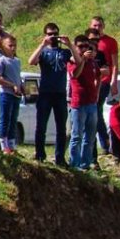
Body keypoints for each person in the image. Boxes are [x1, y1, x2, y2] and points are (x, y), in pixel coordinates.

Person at [28, 22, 72, 166]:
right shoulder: (44, 52)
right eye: (50, 34)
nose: (53, 37)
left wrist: (70, 45)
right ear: (45, 35)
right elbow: (31, 61)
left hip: (60, 93)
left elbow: (77, 61)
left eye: (55, 34)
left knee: (61, 128)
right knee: (41, 125)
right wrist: (42, 45)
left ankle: (60, 157)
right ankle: (39, 154)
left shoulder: (65, 52)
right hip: (45, 92)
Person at [67, 34, 99, 170]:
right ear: (75, 47)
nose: (84, 49)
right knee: (77, 135)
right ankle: (75, 163)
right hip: (78, 103)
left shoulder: (93, 62)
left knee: (90, 137)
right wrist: (83, 60)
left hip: (92, 102)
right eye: (81, 46)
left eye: (87, 46)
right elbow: (75, 74)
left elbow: (98, 76)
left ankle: (85, 164)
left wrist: (97, 94)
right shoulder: (73, 61)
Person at [90, 16, 119, 155]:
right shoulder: (87, 42)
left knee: (96, 109)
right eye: (95, 25)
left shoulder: (110, 42)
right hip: (89, 82)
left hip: (105, 80)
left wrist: (114, 81)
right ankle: (104, 142)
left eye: (99, 25)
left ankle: (105, 143)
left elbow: (115, 63)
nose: (97, 28)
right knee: (96, 111)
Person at [0, 34, 23, 154]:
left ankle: (12, 145)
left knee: (13, 119)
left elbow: (17, 77)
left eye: (14, 45)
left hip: (16, 95)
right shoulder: (1, 60)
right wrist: (12, 85)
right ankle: (3, 145)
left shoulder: (17, 61)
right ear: (3, 46)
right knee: (4, 119)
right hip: (5, 94)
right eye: (10, 45)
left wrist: (21, 86)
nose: (12, 48)